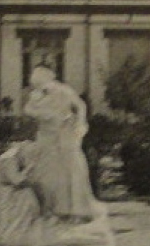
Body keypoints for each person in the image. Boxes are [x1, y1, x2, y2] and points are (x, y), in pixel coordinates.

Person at [22, 67, 96, 222]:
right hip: (45, 135)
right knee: (47, 171)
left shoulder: (64, 90)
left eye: (42, 84)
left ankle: (76, 210)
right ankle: (51, 209)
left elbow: (81, 106)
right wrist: (43, 114)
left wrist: (81, 123)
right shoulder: (35, 94)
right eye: (37, 85)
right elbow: (28, 110)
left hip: (65, 133)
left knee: (71, 170)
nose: (41, 88)